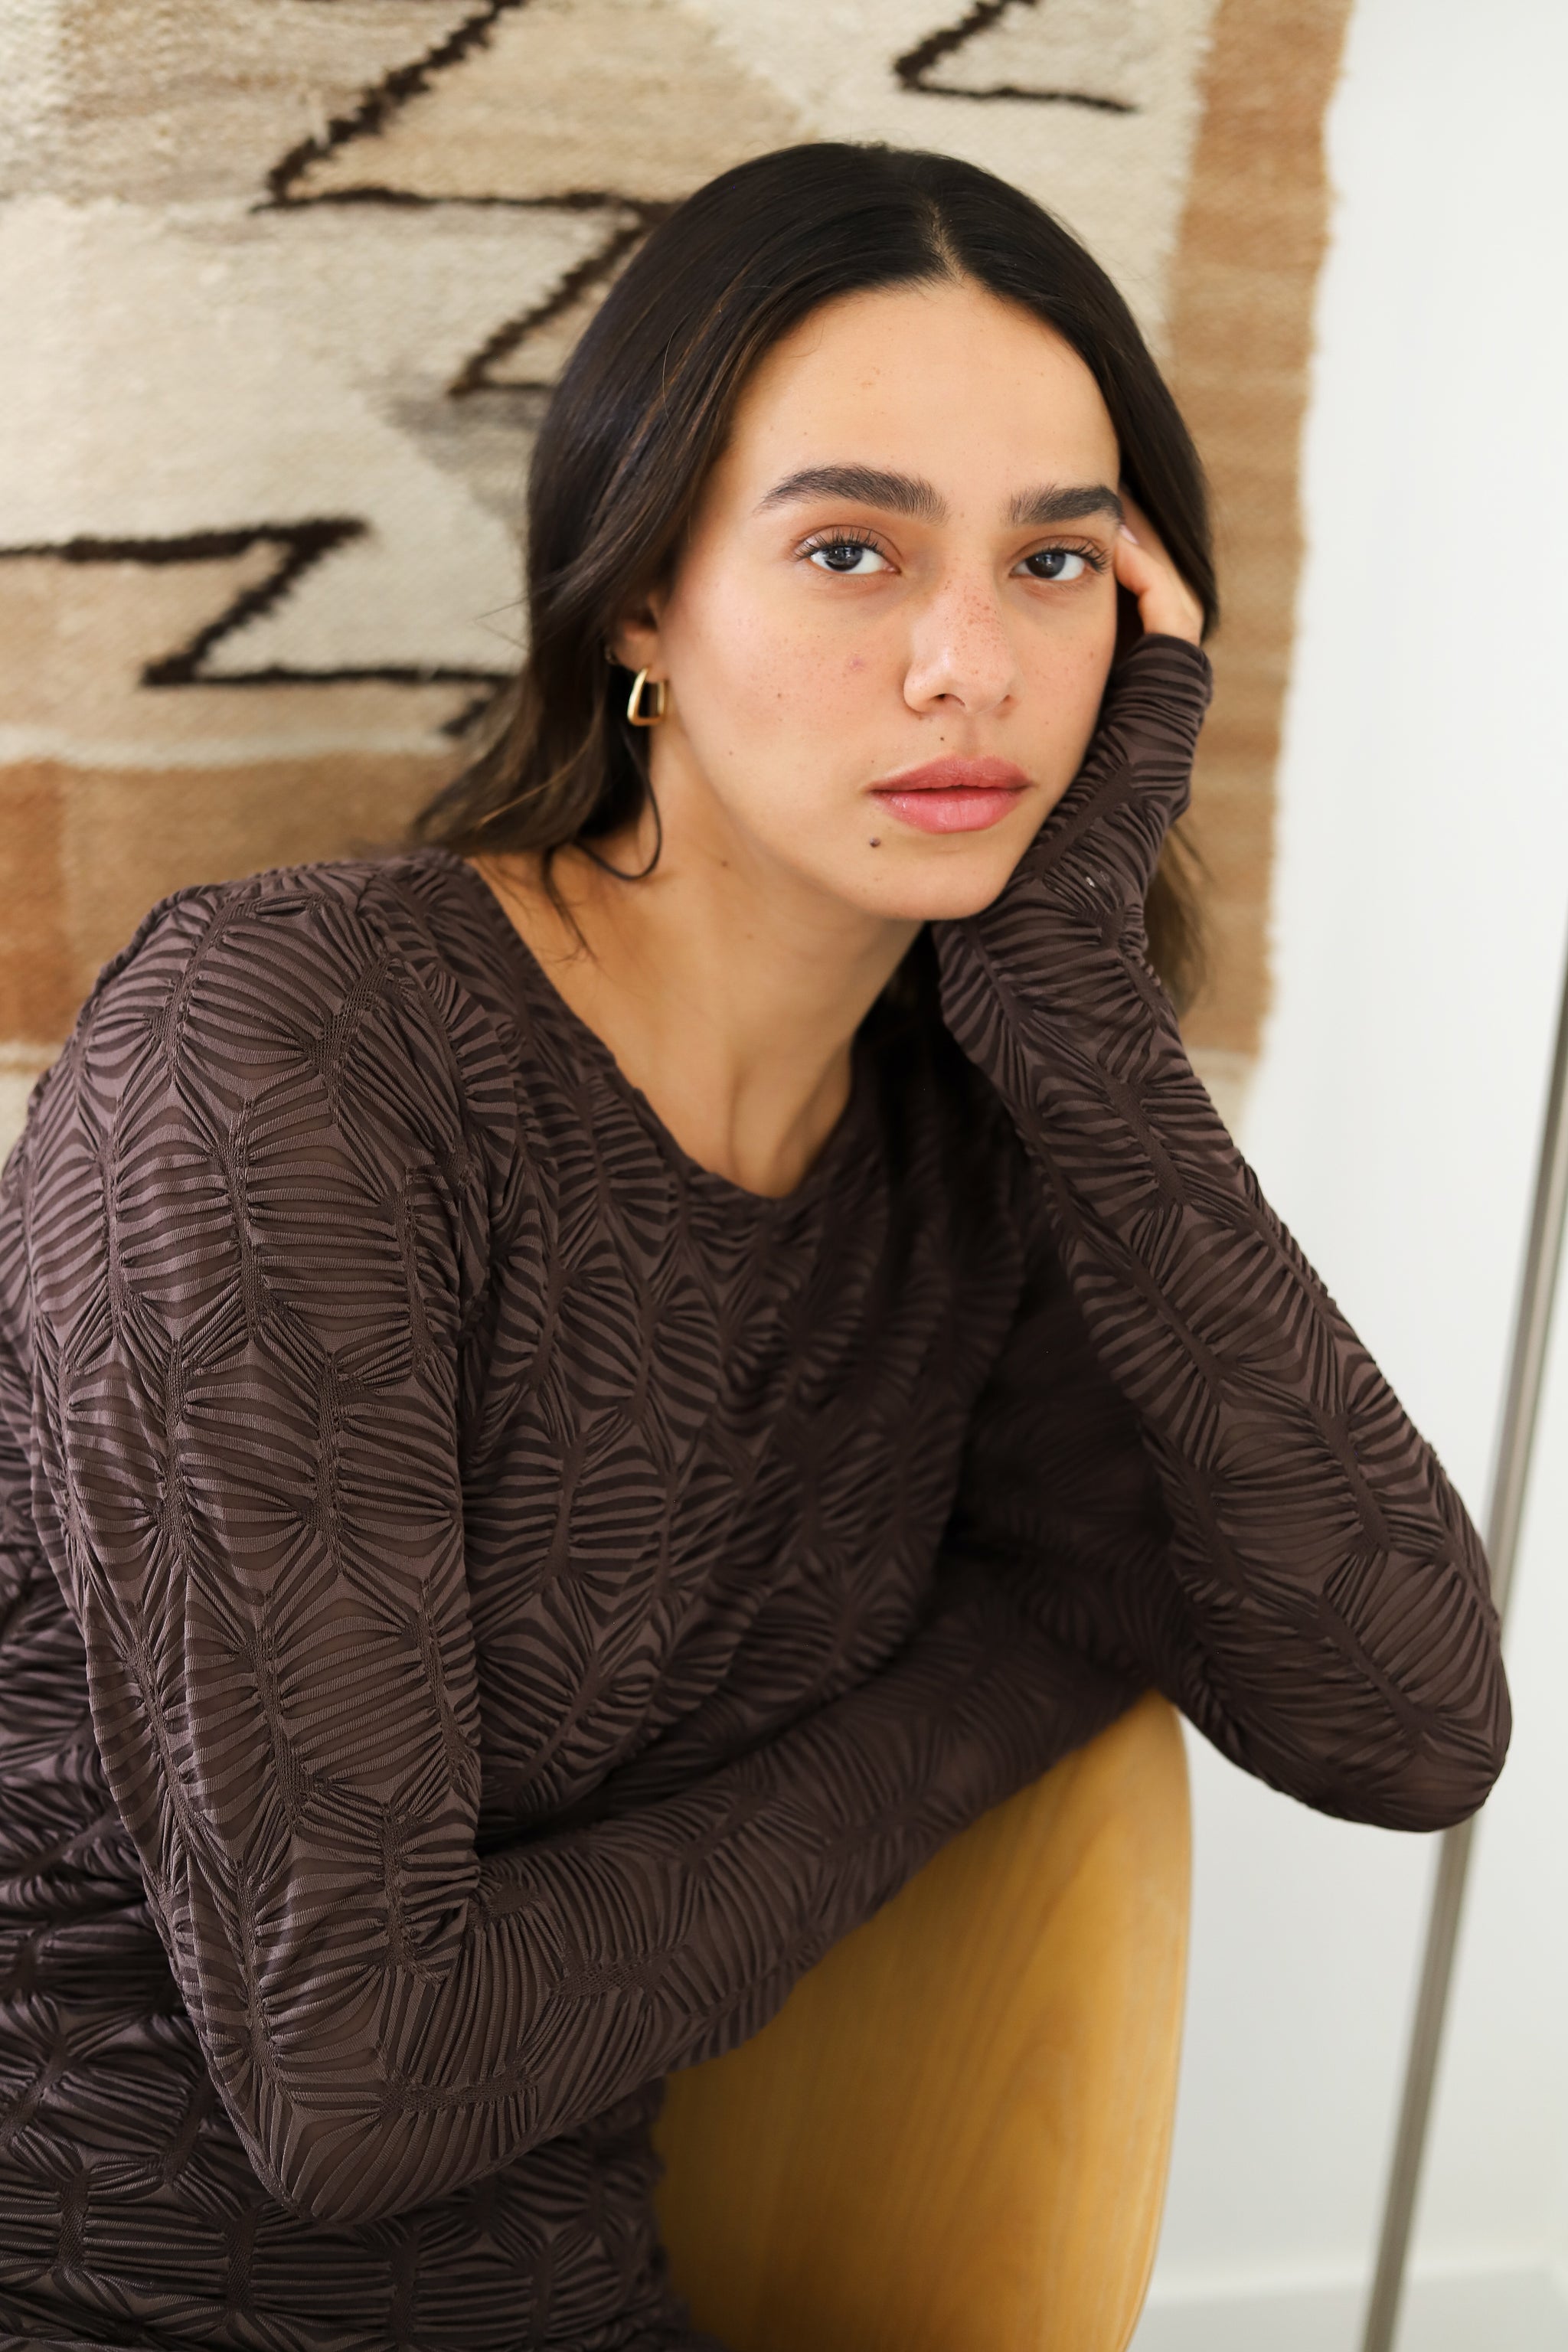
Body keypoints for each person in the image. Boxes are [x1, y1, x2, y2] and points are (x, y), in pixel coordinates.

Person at [0, 141, 1509, 2351]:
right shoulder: (289, 1048)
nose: (969, 666)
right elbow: (359, 2083)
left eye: (1055, 561)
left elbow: (1416, 1729)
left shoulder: (976, 1160)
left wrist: (1086, 1031)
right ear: (638, 602)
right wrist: (1005, 1673)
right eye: (847, 549)